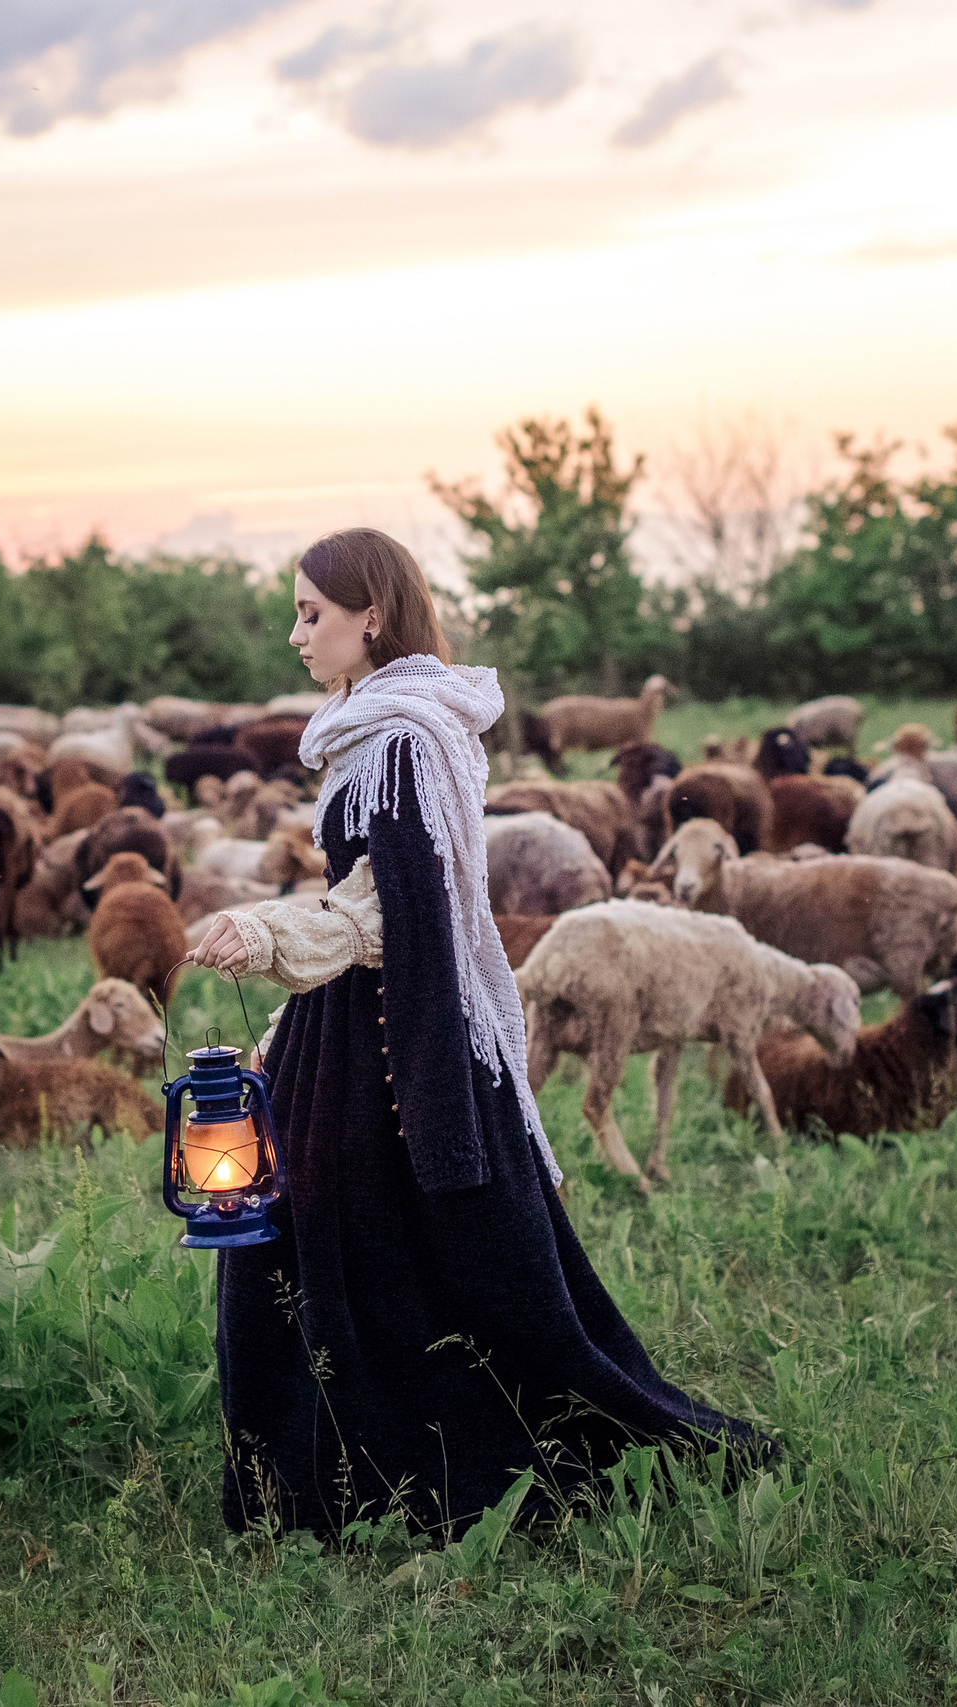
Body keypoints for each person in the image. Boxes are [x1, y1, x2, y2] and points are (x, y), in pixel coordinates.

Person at [184, 527, 764, 1543]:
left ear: (371, 613)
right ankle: (308, 1471)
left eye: (310, 613)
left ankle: (391, 1479)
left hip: (389, 1038)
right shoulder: (365, 729)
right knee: (319, 1240)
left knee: (366, 1245)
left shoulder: (406, 738)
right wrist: (286, 1013)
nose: (294, 634)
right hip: (346, 1027)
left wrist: (265, 929)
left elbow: (398, 914)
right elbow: (366, 899)